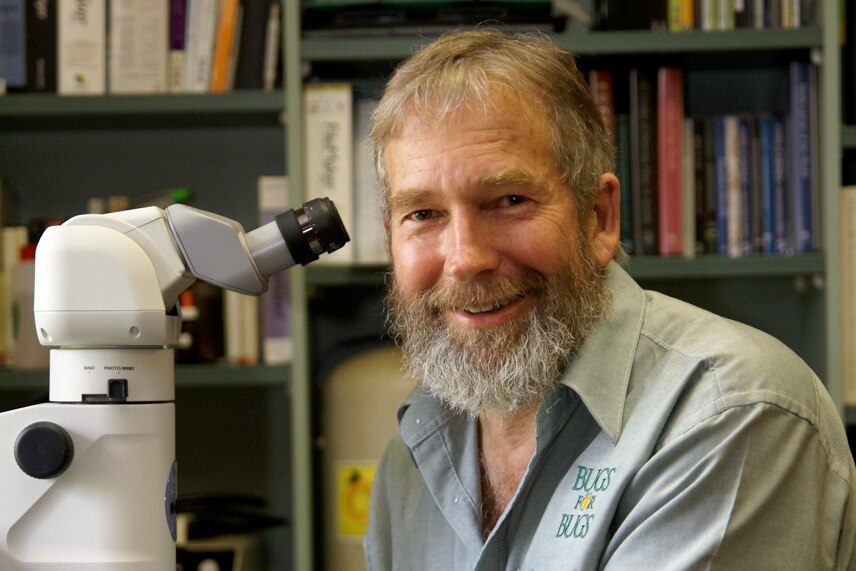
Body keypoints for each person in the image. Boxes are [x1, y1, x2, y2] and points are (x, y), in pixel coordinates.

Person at [363, 29, 856, 570]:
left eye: (508, 200)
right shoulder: (413, 455)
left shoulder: (731, 411)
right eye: (423, 214)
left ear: (598, 218)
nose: (464, 258)